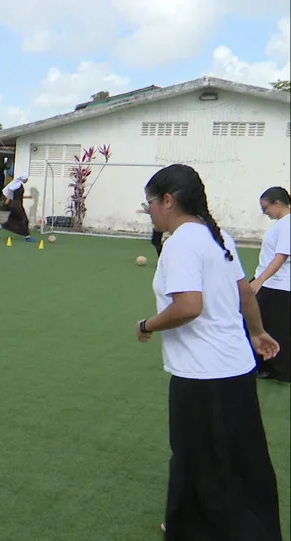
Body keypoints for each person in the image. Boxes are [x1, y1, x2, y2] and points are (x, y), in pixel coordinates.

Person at [134, 164, 282, 540]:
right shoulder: (217, 237)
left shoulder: (181, 243)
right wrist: (258, 332)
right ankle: (187, 522)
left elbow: (188, 306)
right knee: (236, 457)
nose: (148, 210)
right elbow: (244, 291)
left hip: (203, 376)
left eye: (149, 202)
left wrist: (146, 325)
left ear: (168, 201)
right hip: (235, 368)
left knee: (199, 459)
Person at [249, 186, 290, 382]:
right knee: (262, 324)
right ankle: (265, 365)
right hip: (270, 284)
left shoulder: (288, 224)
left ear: (277, 203)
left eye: (265, 207)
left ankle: (281, 371)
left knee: (277, 329)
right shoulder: (281, 224)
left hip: (279, 286)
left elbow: (281, 256)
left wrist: (260, 280)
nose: (264, 212)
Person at [0, 174, 35, 243]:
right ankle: (27, 236)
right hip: (16, 205)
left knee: (12, 220)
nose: (27, 180)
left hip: (18, 204)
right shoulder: (18, 184)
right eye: (26, 179)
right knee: (23, 220)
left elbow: (18, 196)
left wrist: (27, 197)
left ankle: (0, 226)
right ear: (23, 179)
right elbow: (10, 189)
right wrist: (8, 199)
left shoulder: (20, 185)